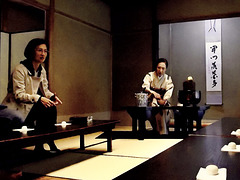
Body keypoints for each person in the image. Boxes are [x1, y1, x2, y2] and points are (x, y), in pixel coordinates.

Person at [2, 38, 62, 153]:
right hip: (16, 108)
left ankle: (49, 140)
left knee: (51, 107)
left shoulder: (41, 70)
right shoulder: (19, 69)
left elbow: (45, 91)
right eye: (40, 50)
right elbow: (19, 95)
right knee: (42, 108)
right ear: (31, 51)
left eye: (45, 51)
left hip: (30, 105)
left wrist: (52, 97)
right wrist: (39, 98)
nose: (43, 54)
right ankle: (39, 145)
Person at [142, 58, 174, 134]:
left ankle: (163, 131)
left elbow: (169, 90)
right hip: (151, 100)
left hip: (163, 101)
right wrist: (153, 93)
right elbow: (145, 87)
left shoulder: (167, 78)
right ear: (156, 67)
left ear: (166, 69)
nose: (160, 70)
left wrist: (164, 100)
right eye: (159, 68)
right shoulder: (149, 75)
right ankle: (160, 131)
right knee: (154, 109)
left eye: (163, 68)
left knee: (165, 110)